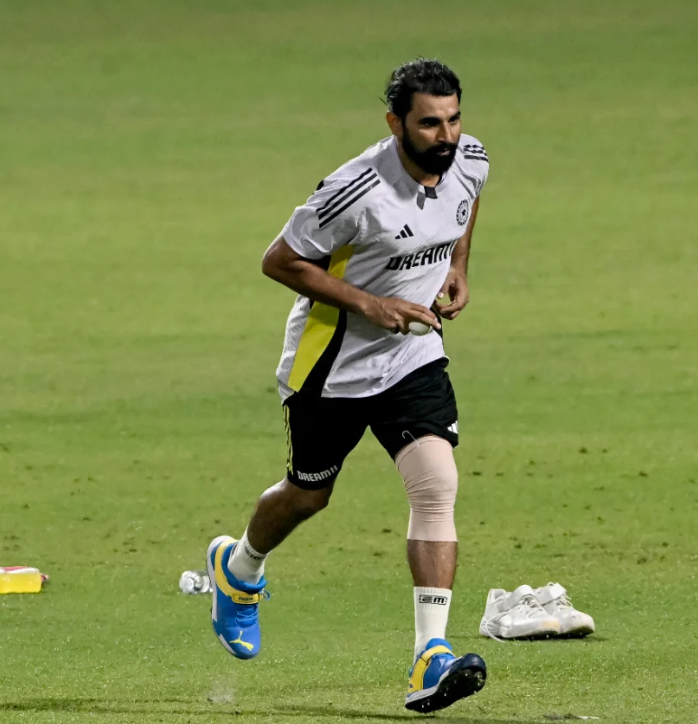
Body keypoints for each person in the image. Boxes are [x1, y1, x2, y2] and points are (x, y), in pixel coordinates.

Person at [206, 58, 490, 714]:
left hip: (411, 359)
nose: (444, 135)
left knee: (436, 484)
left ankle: (430, 656)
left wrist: (455, 266)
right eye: (428, 123)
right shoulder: (354, 189)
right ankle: (238, 569)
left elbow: (465, 203)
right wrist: (370, 304)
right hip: (330, 368)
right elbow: (278, 260)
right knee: (308, 496)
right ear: (395, 124)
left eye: (451, 119)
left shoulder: (470, 158)